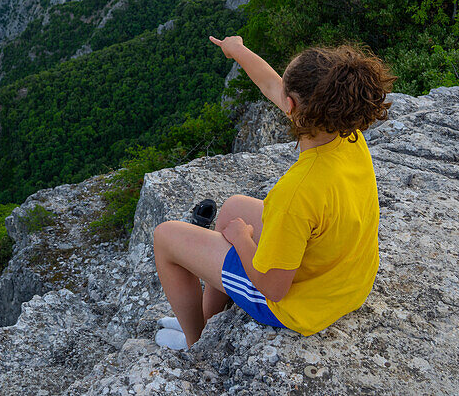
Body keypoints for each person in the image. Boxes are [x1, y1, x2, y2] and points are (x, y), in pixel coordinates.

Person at [152, 35, 395, 350]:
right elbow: (269, 83)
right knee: (233, 208)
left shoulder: (297, 192)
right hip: (344, 281)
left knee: (166, 238)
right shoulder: (346, 133)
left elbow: (274, 288)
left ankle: (194, 342)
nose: (278, 91)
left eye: (285, 91)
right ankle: (211, 321)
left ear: (291, 106)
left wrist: (242, 241)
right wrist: (238, 50)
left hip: (296, 306)